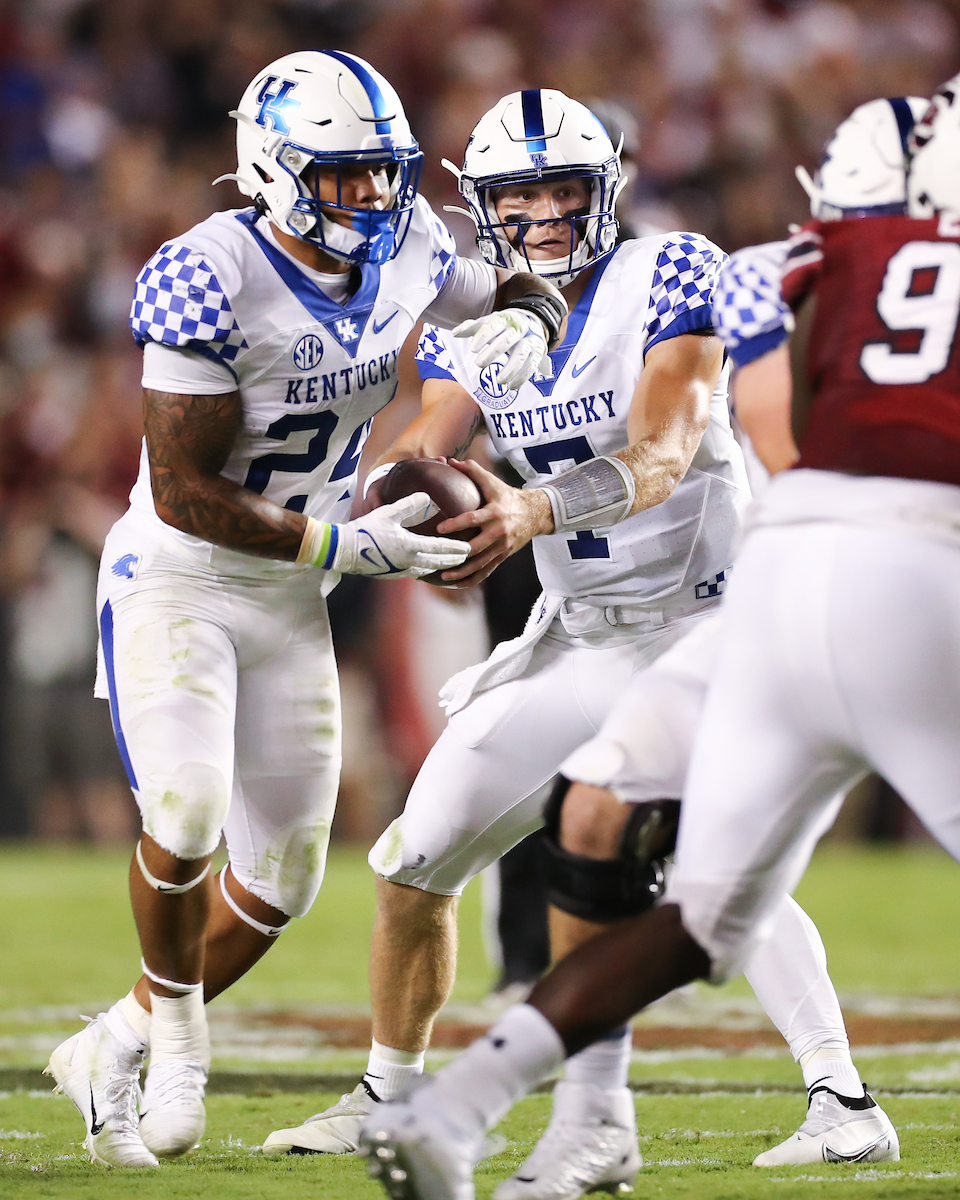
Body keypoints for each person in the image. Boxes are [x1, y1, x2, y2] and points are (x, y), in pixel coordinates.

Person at [267, 89, 890, 1182]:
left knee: (706, 855)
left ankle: (843, 1098)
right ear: (484, 207)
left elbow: (663, 452)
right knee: (414, 860)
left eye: (564, 189)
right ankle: (386, 1097)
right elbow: (423, 449)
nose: (546, 213)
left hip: (706, 626)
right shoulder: (476, 323)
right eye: (521, 196)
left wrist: (526, 510)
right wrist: (401, 508)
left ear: (605, 190)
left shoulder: (671, 271)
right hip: (581, 637)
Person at [44, 50, 568, 1170]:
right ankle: (177, 1050)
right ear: (275, 169)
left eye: (382, 171)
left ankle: (112, 1041)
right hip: (182, 578)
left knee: (283, 880)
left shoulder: (412, 240)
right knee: (187, 814)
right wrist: (343, 543)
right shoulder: (207, 274)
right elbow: (183, 491)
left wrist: (529, 316)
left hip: (293, 591)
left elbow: (518, 285)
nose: (372, 195)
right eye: (343, 176)